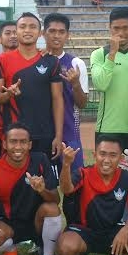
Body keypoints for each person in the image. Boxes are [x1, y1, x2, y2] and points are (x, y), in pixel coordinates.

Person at [57, 137, 128, 255]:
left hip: (113, 231)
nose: (107, 160)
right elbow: (66, 189)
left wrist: (125, 231)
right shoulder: (83, 173)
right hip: (84, 231)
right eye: (102, 154)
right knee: (66, 248)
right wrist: (66, 165)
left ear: (121, 158)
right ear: (95, 155)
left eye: (113, 155)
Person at [0, 123, 64, 255]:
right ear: (4, 143)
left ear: (30, 144)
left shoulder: (40, 160)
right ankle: (9, 249)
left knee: (52, 209)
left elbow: (56, 199)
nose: (18, 146)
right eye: (13, 141)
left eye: (23, 142)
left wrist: (42, 190)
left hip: (35, 222)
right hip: (7, 222)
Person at [0, 12, 64, 159]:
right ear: (16, 32)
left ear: (40, 33)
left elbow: (57, 99)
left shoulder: (51, 61)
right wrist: (8, 94)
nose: (27, 30)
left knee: (44, 180)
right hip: (14, 135)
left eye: (32, 27)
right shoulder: (1, 60)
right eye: (22, 27)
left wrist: (58, 135)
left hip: (44, 133)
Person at [90, 7, 128, 153]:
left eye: (125, 28)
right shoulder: (99, 54)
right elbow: (101, 84)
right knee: (106, 174)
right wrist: (112, 54)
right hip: (107, 129)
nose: (121, 33)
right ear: (109, 28)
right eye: (116, 28)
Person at [43, 13, 88, 173]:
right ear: (43, 33)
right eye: (52, 31)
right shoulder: (36, 60)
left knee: (75, 184)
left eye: (61, 32)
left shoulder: (76, 63)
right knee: (45, 186)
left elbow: (82, 104)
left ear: (67, 35)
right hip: (42, 134)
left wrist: (75, 84)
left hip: (69, 134)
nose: (56, 36)